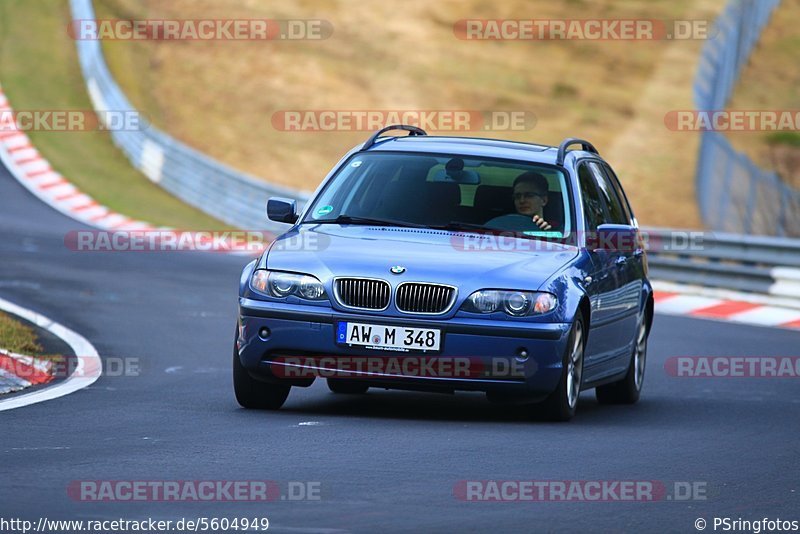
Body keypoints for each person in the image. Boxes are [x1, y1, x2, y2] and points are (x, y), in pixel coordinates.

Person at [485, 171, 558, 232]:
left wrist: (547, 234)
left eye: (529, 195)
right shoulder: (500, 225)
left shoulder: (560, 231)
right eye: (517, 196)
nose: (522, 200)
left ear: (544, 200)